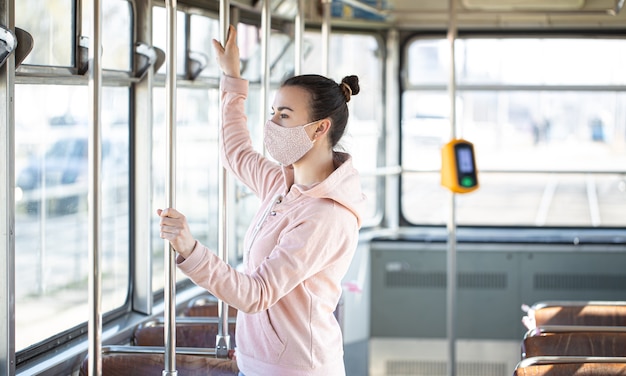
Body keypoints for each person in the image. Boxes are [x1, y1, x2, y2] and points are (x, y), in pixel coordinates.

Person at [157, 25, 365, 376]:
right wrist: (233, 79)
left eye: (284, 115)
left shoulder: (327, 216)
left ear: (319, 128)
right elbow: (235, 151)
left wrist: (190, 249)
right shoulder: (282, 184)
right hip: (260, 364)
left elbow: (256, 294)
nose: (271, 123)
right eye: (272, 112)